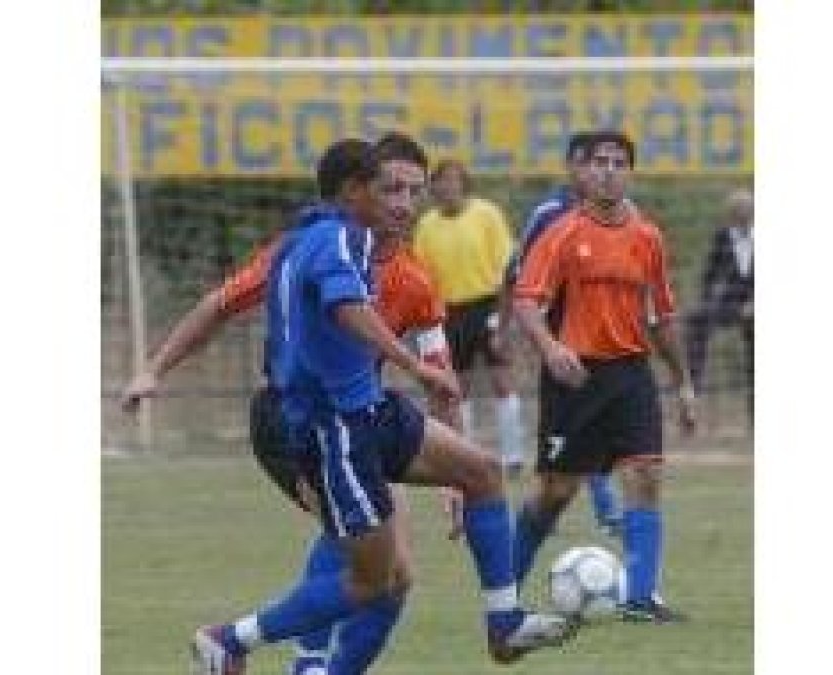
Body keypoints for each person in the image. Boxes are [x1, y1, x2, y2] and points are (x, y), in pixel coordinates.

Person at [134, 138, 574, 675]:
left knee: (474, 477)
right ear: (357, 190)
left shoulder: (414, 277)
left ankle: (501, 622)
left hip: (369, 408)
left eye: (415, 190)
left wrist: (451, 466)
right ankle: (267, 651)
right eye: (390, 188)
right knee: (374, 571)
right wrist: (154, 369)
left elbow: (443, 381)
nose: (404, 203)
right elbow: (223, 305)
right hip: (300, 419)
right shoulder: (318, 245)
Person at [511, 130, 697, 623]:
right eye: (600, 162)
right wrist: (549, 348)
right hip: (575, 375)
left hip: (631, 373)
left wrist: (684, 383)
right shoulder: (562, 232)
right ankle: (503, 591)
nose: (609, 170)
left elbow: (661, 316)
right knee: (556, 493)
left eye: (619, 162)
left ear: (630, 172)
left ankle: (640, 598)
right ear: (583, 172)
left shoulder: (648, 237)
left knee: (647, 474)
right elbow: (527, 299)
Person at [502, 131, 623, 536]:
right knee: (575, 430)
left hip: (609, 341)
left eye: (608, 163)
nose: (598, 172)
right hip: (563, 339)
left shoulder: (626, 214)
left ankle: (601, 510)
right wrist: (513, 329)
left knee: (599, 427)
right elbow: (516, 276)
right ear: (574, 167)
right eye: (588, 162)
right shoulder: (549, 213)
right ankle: (555, 507)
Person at [412, 160, 526, 475]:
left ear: (464, 184)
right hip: (448, 313)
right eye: (440, 182)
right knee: (455, 387)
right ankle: (466, 455)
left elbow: (507, 269)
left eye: (452, 181)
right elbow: (421, 277)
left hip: (487, 306)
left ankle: (513, 458)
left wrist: (501, 322)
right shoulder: (426, 226)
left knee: (501, 379)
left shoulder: (486, 214)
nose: (446, 188)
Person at [684, 188, 754, 421]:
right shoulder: (722, 236)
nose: (743, 214)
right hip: (730, 304)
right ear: (731, 215)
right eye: (737, 211)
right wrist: (707, 302)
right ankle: (692, 393)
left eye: (747, 209)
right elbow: (710, 275)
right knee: (696, 322)